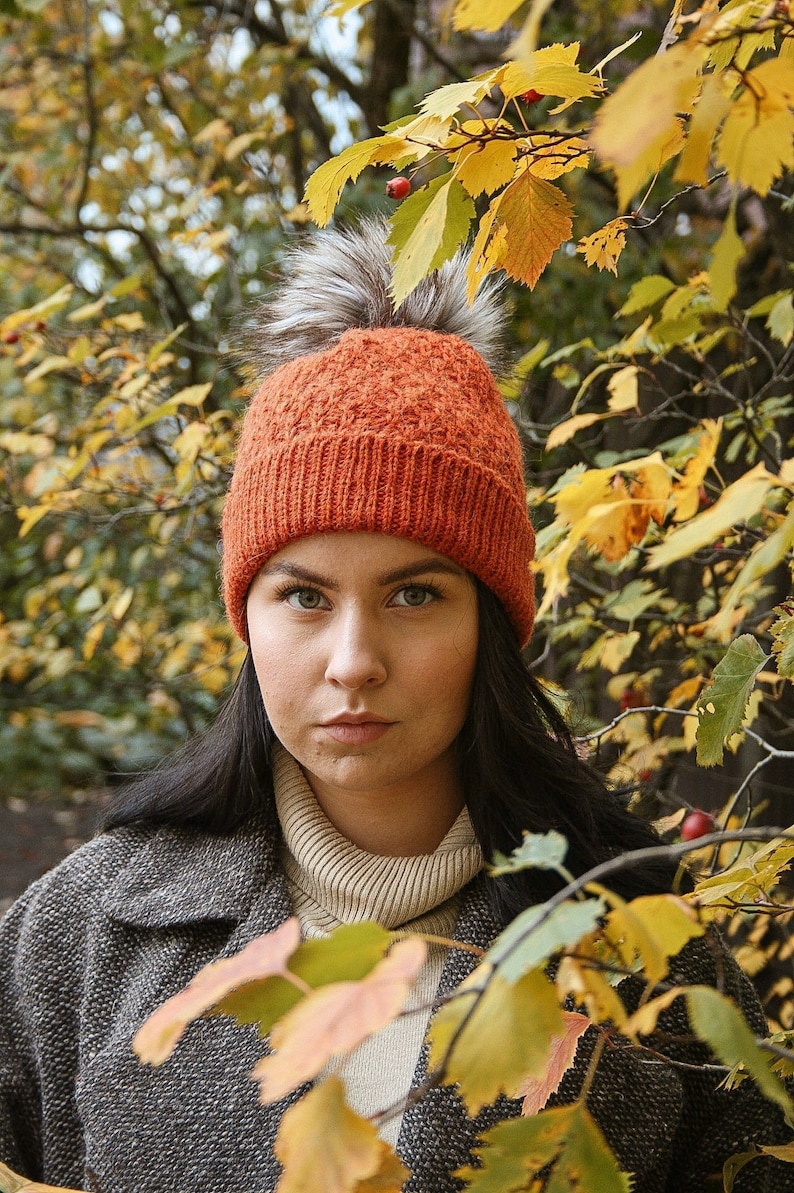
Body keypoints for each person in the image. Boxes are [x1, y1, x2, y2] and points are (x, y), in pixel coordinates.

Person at [0, 219, 790, 1193]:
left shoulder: (637, 949)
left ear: (491, 627)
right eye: (302, 595)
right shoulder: (85, 932)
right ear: (244, 617)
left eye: (414, 594)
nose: (352, 660)